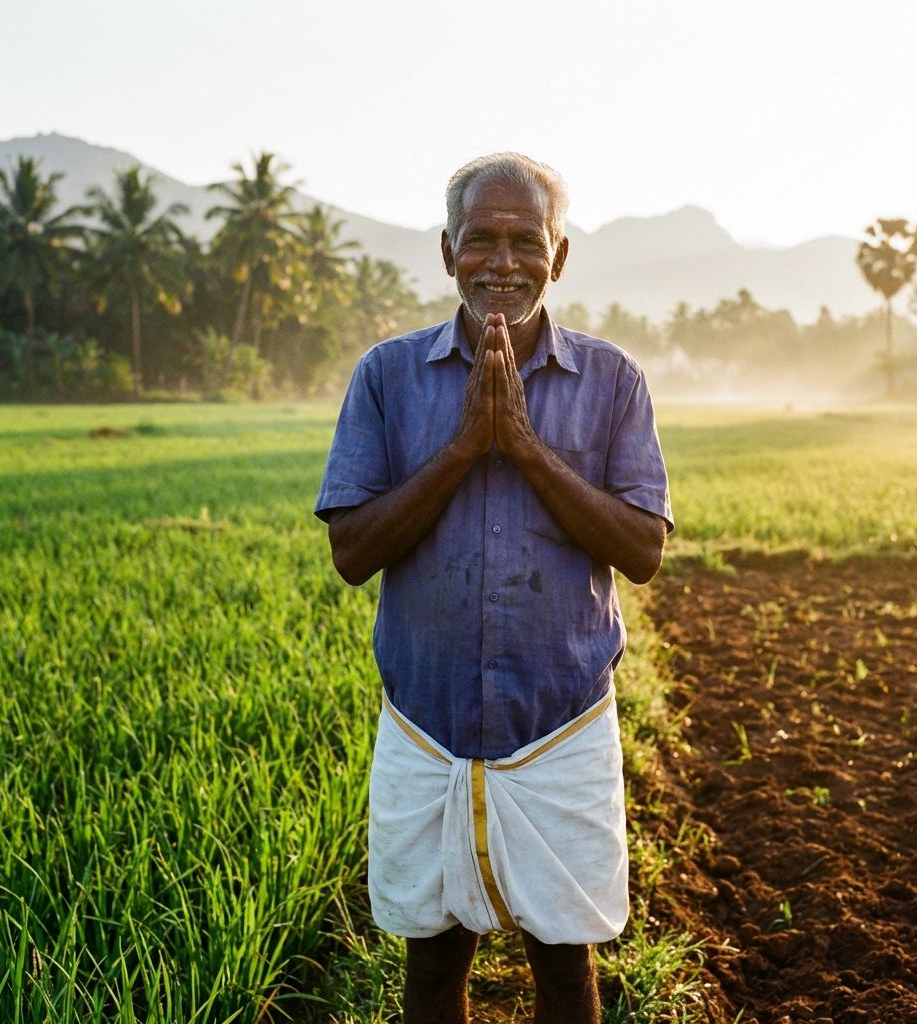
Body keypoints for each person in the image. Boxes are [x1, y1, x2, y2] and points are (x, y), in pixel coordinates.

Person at [315, 152, 672, 1024]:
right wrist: (466, 447)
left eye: (525, 240)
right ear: (447, 252)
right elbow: (353, 551)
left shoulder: (614, 380)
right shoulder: (386, 377)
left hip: (562, 726)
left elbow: (642, 549)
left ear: (560, 255)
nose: (502, 261)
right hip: (425, 724)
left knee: (564, 962)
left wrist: (527, 446)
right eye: (481, 239)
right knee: (433, 964)